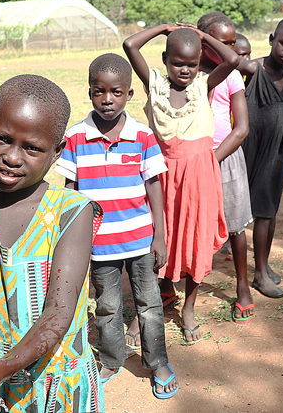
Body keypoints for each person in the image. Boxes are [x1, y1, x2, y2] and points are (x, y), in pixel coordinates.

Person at [0, 74, 105, 412]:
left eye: (32, 147)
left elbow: (59, 315)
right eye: (1, 138)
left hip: (58, 385)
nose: (12, 158)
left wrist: (5, 366)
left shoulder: (71, 213)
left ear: (57, 151)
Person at [54, 54, 178, 398]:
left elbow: (154, 186)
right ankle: (111, 359)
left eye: (116, 92)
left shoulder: (142, 135)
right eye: (99, 92)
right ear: (90, 92)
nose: (107, 100)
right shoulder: (76, 137)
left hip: (140, 241)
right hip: (98, 245)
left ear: (130, 94)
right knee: (107, 306)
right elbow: (70, 193)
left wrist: (161, 237)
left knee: (150, 306)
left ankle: (159, 363)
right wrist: (71, 239)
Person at [123, 24, 238, 342]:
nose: (185, 70)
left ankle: (188, 309)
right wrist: (163, 29)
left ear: (200, 62)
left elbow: (231, 59)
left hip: (198, 176)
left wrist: (201, 37)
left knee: (196, 240)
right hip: (160, 177)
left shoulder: (204, 85)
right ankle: (144, 310)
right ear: (165, 59)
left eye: (192, 63)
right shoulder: (155, 84)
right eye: (178, 62)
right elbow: (130, 44)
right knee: (154, 241)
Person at [237, 18, 283, 298]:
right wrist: (202, 36)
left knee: (270, 209)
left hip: (277, 150)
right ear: (271, 39)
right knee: (258, 211)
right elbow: (228, 58)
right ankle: (259, 274)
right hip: (253, 149)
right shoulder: (254, 68)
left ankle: (263, 266)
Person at [196, 12, 255, 323]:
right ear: (203, 40)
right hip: (193, 159)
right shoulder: (186, 72)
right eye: (221, 41)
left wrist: (213, 159)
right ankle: (170, 282)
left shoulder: (231, 75)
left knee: (235, 226)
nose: (228, 48)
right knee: (188, 222)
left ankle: (243, 286)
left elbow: (241, 128)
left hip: (225, 156)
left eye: (232, 42)